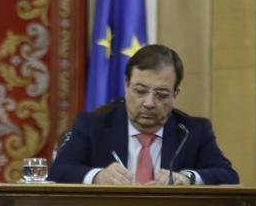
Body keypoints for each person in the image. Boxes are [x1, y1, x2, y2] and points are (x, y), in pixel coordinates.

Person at [49, 44, 239, 185]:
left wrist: (187, 178)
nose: (149, 103)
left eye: (161, 95)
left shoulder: (193, 131)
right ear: (126, 85)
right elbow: (59, 172)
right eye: (140, 91)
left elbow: (228, 176)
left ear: (175, 94)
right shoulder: (93, 125)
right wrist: (99, 176)